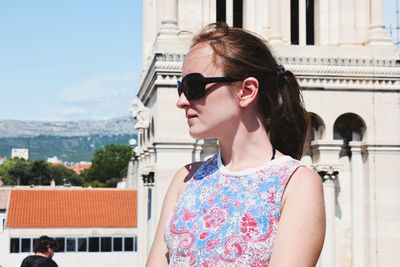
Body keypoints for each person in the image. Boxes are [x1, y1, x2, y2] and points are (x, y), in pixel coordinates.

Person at [147, 22, 325, 266]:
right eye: (181, 88)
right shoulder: (186, 179)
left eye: (194, 87)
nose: (181, 101)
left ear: (247, 91)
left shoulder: (296, 183)